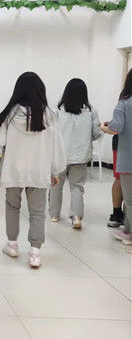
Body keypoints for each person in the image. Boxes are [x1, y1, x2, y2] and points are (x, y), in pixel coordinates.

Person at [0, 72, 66, 268]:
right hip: (39, 171)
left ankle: (12, 245)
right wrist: (55, 171)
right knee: (37, 213)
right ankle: (35, 253)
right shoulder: (49, 116)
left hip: (13, 170)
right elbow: (57, 146)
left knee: (12, 207)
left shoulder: (8, 116)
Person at [48, 78, 103, 229]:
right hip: (81, 155)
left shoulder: (57, 110)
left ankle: (54, 214)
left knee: (56, 185)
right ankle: (76, 217)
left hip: (60, 155)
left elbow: (51, 133)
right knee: (77, 187)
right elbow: (96, 133)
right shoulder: (91, 111)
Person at [100, 69, 132, 254]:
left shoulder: (124, 104)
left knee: (130, 200)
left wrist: (104, 127)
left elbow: (116, 128)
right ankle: (127, 231)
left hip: (128, 158)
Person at [108, 135, 125, 227]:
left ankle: (117, 214)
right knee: (120, 177)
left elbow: (114, 129)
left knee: (120, 177)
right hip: (122, 144)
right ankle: (117, 214)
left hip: (121, 143)